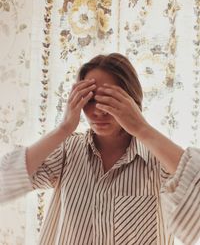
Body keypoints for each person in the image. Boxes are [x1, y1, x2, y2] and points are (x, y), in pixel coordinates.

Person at [0, 53, 200, 245]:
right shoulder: (67, 151)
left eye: (110, 100)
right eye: (90, 99)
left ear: (132, 100)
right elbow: (5, 179)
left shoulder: (157, 160)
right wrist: (64, 128)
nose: (98, 111)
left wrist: (142, 128)